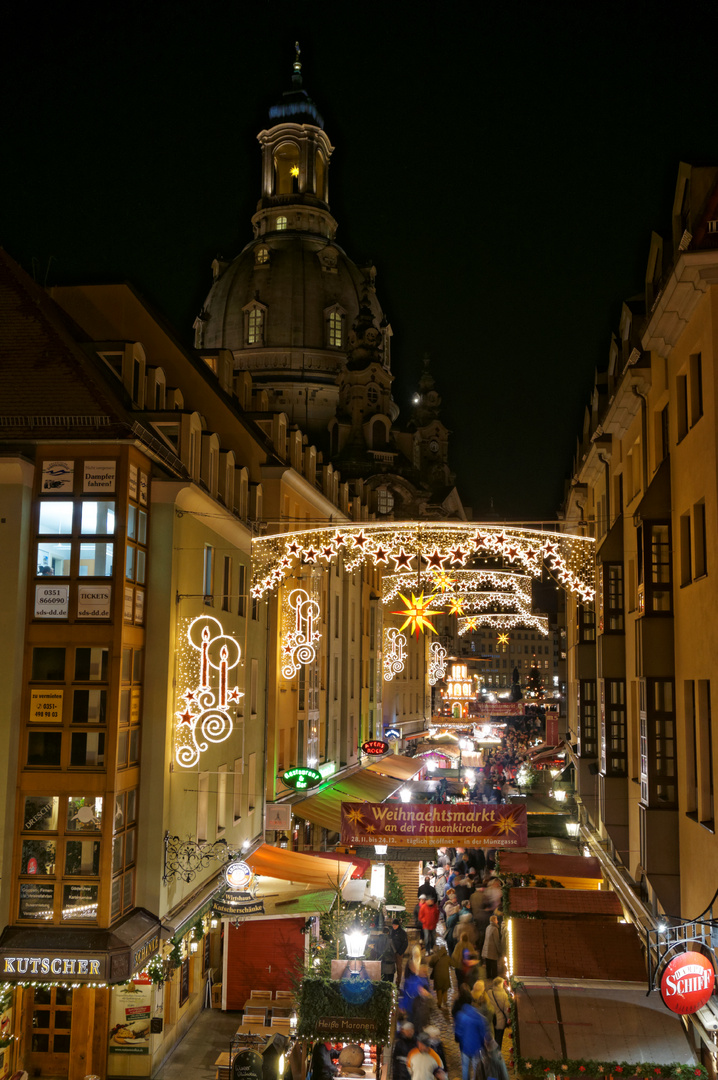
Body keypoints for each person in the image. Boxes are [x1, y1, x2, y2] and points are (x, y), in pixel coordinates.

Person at [454, 992, 488, 1080]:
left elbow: (458, 1032)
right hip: (476, 1048)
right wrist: (483, 1046)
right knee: (476, 1069)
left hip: (464, 1047)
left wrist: (461, 1041)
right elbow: (482, 1034)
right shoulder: (479, 1017)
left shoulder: (460, 1015)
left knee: (465, 1067)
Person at [487, 977, 511, 1049]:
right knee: (498, 1039)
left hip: (491, 1020)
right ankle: (497, 1055)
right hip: (500, 1021)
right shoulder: (504, 995)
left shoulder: (489, 992)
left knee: (491, 1038)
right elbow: (506, 1010)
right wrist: (508, 1019)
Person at [481, 915, 502, 981]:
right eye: (496, 920)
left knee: (488, 964)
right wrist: (499, 950)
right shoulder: (495, 929)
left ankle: (488, 976)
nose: (497, 921)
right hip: (492, 949)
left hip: (487, 949)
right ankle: (494, 977)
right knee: (494, 964)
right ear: (494, 920)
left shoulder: (488, 927)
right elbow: (496, 940)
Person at [391, 918, 409, 984]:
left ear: (398, 925)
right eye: (393, 925)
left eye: (395, 925)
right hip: (392, 953)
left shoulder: (402, 933)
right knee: (391, 967)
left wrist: (400, 952)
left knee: (399, 967)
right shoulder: (392, 931)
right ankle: (391, 980)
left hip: (399, 953)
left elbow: (405, 943)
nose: (394, 926)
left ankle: (398, 982)